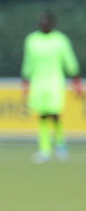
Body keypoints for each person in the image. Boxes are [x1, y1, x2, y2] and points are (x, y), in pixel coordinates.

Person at [21, 11, 82, 162]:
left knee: (55, 115)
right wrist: (26, 81)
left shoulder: (60, 40)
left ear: (52, 24)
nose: (43, 25)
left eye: (46, 23)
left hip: (55, 82)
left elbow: (69, 60)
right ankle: (44, 149)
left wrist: (76, 79)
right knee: (42, 116)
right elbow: (28, 62)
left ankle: (60, 145)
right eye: (41, 23)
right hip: (38, 83)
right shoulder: (32, 40)